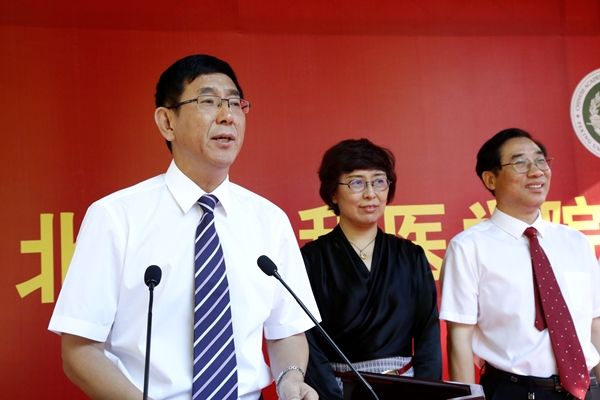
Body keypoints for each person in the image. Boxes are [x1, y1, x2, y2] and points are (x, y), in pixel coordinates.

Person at [48, 54, 320, 400]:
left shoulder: (270, 220)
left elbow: (286, 330)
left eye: (235, 103)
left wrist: (290, 379)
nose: (227, 116)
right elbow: (80, 349)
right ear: (167, 122)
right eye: (208, 101)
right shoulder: (116, 217)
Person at [440, 128, 600, 400]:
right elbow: (459, 340)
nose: (536, 171)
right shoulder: (468, 247)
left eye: (541, 161)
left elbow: (595, 325)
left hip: (586, 389)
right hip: (514, 390)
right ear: (490, 179)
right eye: (521, 163)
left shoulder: (576, 242)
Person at [301, 138, 442, 399]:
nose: (370, 193)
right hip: (340, 390)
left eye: (379, 181)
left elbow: (428, 335)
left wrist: (426, 393)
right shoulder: (311, 259)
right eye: (356, 183)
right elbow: (309, 344)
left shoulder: (411, 256)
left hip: (405, 389)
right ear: (333, 193)